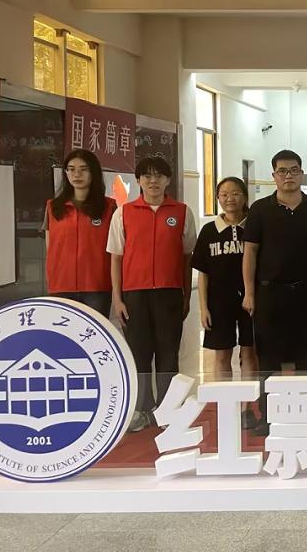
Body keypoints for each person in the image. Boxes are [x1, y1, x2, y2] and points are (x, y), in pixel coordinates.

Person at [107, 156, 196, 433]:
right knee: (139, 353)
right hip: (134, 294)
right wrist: (117, 298)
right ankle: (142, 408)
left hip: (169, 293)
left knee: (168, 353)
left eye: (159, 176)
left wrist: (186, 296)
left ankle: (167, 409)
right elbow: (116, 258)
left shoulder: (182, 212)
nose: (153, 181)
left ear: (168, 180)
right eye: (147, 176)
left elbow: (187, 257)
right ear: (138, 181)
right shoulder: (124, 213)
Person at [242, 150, 307, 435]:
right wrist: (249, 293)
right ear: (274, 176)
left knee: (306, 358)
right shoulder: (260, 209)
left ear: (301, 173)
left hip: (305, 292)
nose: (288, 176)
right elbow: (250, 253)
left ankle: (306, 415)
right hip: (269, 294)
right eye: (282, 171)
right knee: (268, 359)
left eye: (293, 170)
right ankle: (269, 416)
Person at [192, 176, 259, 429]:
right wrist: (203, 308)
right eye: (224, 194)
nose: (230, 199)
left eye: (235, 193)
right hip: (219, 302)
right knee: (222, 354)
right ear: (218, 198)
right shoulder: (209, 230)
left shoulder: (254, 226)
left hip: (250, 300)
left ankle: (246, 407)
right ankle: (226, 406)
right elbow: (203, 273)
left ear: (244, 197)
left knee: (249, 352)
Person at [44, 149, 116, 318]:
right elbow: (50, 247)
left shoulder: (109, 207)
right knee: (62, 332)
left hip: (97, 286)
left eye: (83, 169)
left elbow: (116, 250)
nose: (77, 174)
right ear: (66, 173)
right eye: (71, 169)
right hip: (61, 285)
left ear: (93, 173)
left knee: (93, 332)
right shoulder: (53, 207)